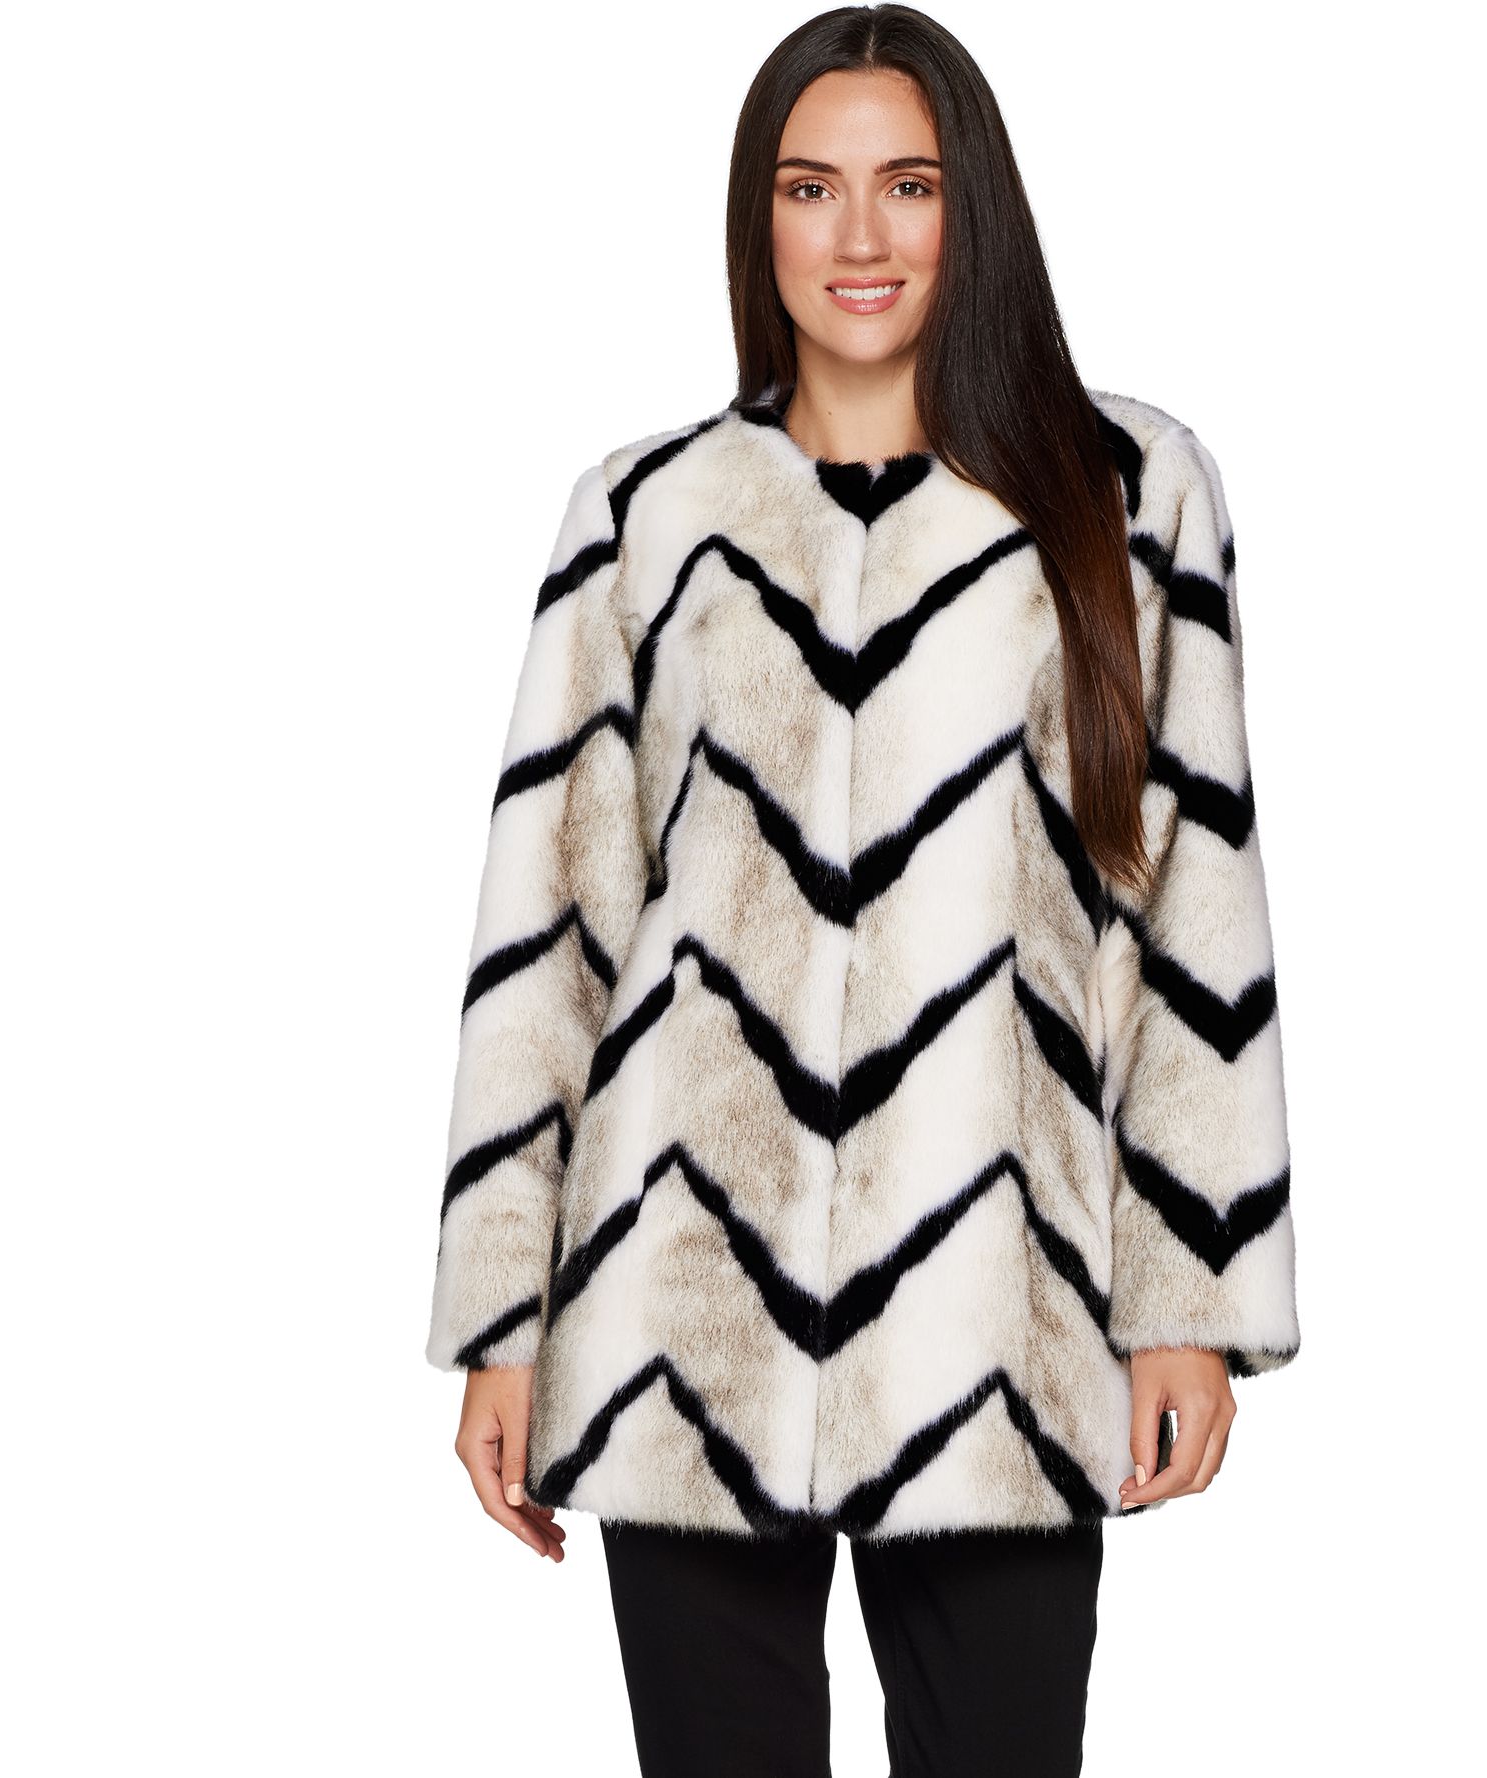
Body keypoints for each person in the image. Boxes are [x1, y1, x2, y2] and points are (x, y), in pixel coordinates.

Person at [426, 6, 1300, 1774]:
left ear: (975, 208)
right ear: (757, 216)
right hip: (681, 1308)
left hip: (1003, 1314)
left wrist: (1191, 1297)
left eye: (909, 185)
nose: (859, 236)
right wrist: (501, 1324)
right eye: (809, 187)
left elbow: (1195, 911)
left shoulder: (1126, 495)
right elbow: (551, 934)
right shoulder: (645, 514)